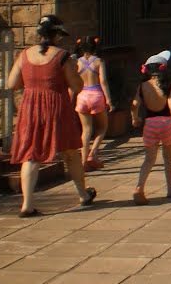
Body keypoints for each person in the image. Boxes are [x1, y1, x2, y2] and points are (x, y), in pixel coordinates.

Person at [6, 14, 97, 217]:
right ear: (56, 35)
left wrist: (32, 82)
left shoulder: (25, 55)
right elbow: (77, 85)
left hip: (30, 108)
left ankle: (27, 204)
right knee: (70, 153)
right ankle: (83, 195)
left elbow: (12, 84)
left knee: (31, 155)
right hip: (57, 107)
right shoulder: (62, 56)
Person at [130, 50, 171, 205]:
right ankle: (170, 189)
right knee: (168, 158)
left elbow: (134, 105)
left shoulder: (142, 87)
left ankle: (139, 187)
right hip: (166, 123)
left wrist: (135, 118)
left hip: (150, 124)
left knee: (149, 159)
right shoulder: (168, 86)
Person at [74, 36, 113, 171]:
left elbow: (73, 83)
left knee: (86, 130)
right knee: (102, 128)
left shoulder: (77, 62)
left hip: (82, 96)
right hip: (96, 95)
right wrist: (109, 100)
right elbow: (103, 81)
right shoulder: (99, 62)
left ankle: (84, 162)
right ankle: (93, 153)